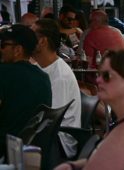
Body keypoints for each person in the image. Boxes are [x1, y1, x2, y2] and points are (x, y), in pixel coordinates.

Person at [31, 19, 81, 158]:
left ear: (43, 41)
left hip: (59, 142)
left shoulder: (60, 76)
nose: (27, 40)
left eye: (31, 35)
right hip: (45, 135)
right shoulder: (39, 68)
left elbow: (51, 119)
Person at [0, 24, 52, 156]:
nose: (1, 49)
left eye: (3, 45)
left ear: (17, 50)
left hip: (5, 147)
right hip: (32, 149)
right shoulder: (43, 77)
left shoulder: (3, 73)